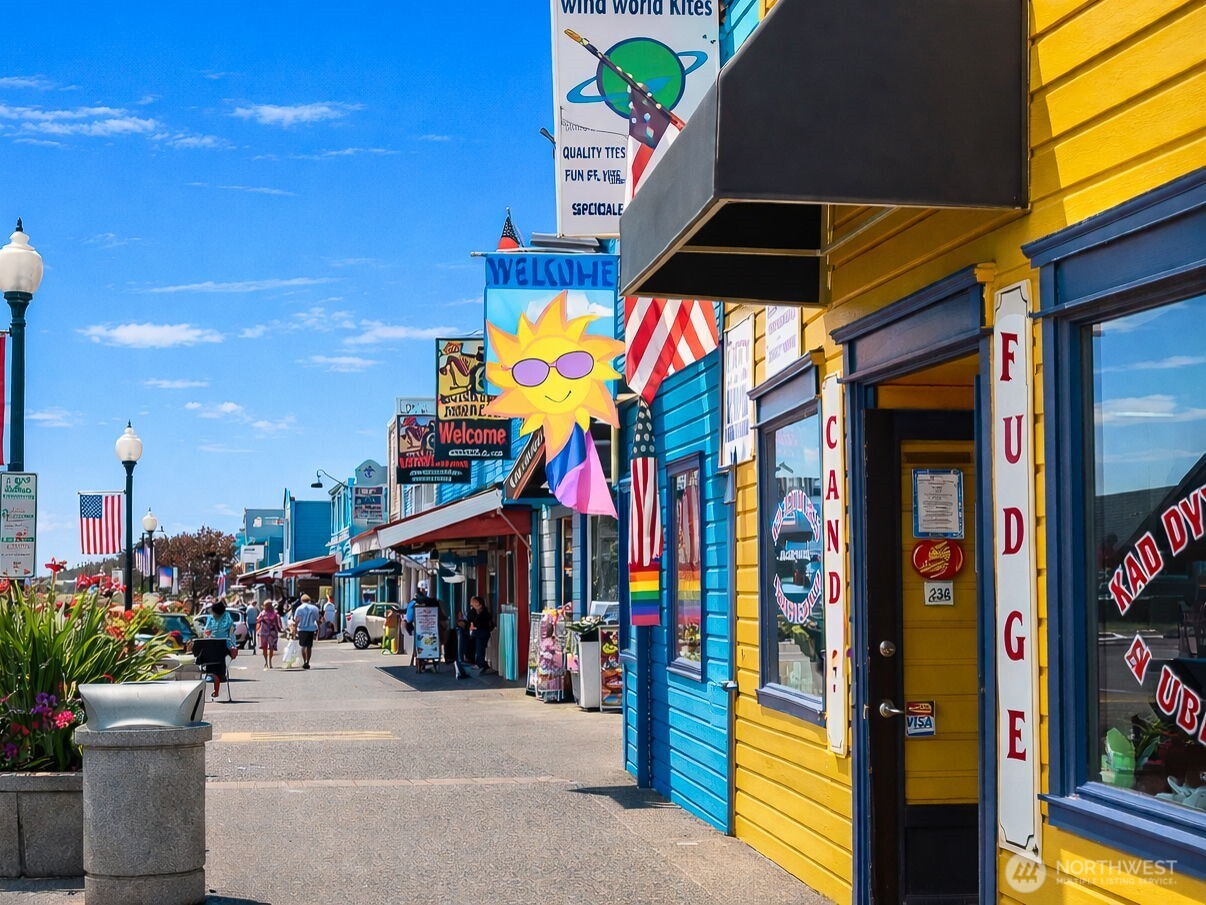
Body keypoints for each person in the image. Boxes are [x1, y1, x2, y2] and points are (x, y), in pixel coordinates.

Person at [203, 599, 238, 699]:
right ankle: (217, 685)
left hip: (223, 645)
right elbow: (206, 631)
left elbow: (231, 634)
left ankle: (218, 683)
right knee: (213, 669)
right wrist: (207, 633)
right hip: (212, 645)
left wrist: (232, 646)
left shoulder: (227, 617)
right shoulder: (211, 618)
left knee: (217, 669)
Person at [468, 595, 496, 675]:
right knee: (477, 649)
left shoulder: (485, 613)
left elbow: (482, 623)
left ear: (480, 604)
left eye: (475, 602)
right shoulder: (472, 612)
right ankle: (482, 664)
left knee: (480, 649)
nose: (473, 604)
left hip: (483, 633)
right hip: (475, 633)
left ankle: (481, 665)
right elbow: (470, 619)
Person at [293, 594, 320, 670]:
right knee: (309, 646)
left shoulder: (299, 609)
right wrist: (319, 630)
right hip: (311, 629)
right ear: (309, 600)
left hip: (302, 629)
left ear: (301, 600)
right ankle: (308, 661)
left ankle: (304, 661)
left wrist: (295, 630)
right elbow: (317, 620)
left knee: (303, 646)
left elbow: (296, 620)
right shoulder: (315, 608)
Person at [258, 600, 282, 669]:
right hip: (265, 632)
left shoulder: (274, 613)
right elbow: (257, 620)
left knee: (270, 647)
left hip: (271, 632)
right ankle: (267, 662)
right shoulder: (262, 613)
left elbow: (278, 622)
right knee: (265, 648)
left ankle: (269, 662)